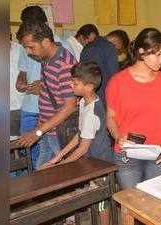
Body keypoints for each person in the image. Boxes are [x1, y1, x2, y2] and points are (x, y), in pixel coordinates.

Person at [39, 61, 113, 225]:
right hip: (91, 161)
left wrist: (60, 165)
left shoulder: (91, 113)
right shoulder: (83, 101)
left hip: (101, 164)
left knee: (102, 203)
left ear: (89, 86)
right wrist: (59, 155)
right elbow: (80, 134)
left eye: (75, 82)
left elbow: (82, 148)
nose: (70, 84)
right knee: (94, 198)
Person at [105, 28, 161, 189]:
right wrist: (117, 136)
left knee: (154, 203)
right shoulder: (118, 82)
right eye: (158, 54)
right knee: (132, 203)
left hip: (159, 151)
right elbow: (110, 118)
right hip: (127, 153)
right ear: (141, 52)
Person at [16, 5, 76, 169]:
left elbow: (70, 106)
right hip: (48, 131)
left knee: (63, 176)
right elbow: (49, 96)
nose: (28, 52)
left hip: (60, 133)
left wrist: (38, 132)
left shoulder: (63, 63)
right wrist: (39, 128)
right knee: (42, 174)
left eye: (31, 47)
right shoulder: (47, 59)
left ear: (46, 41)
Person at [80, 24, 119, 104]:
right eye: (119, 48)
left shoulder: (86, 48)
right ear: (116, 41)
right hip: (104, 98)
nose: (118, 51)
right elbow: (114, 76)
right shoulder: (110, 48)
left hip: (87, 96)